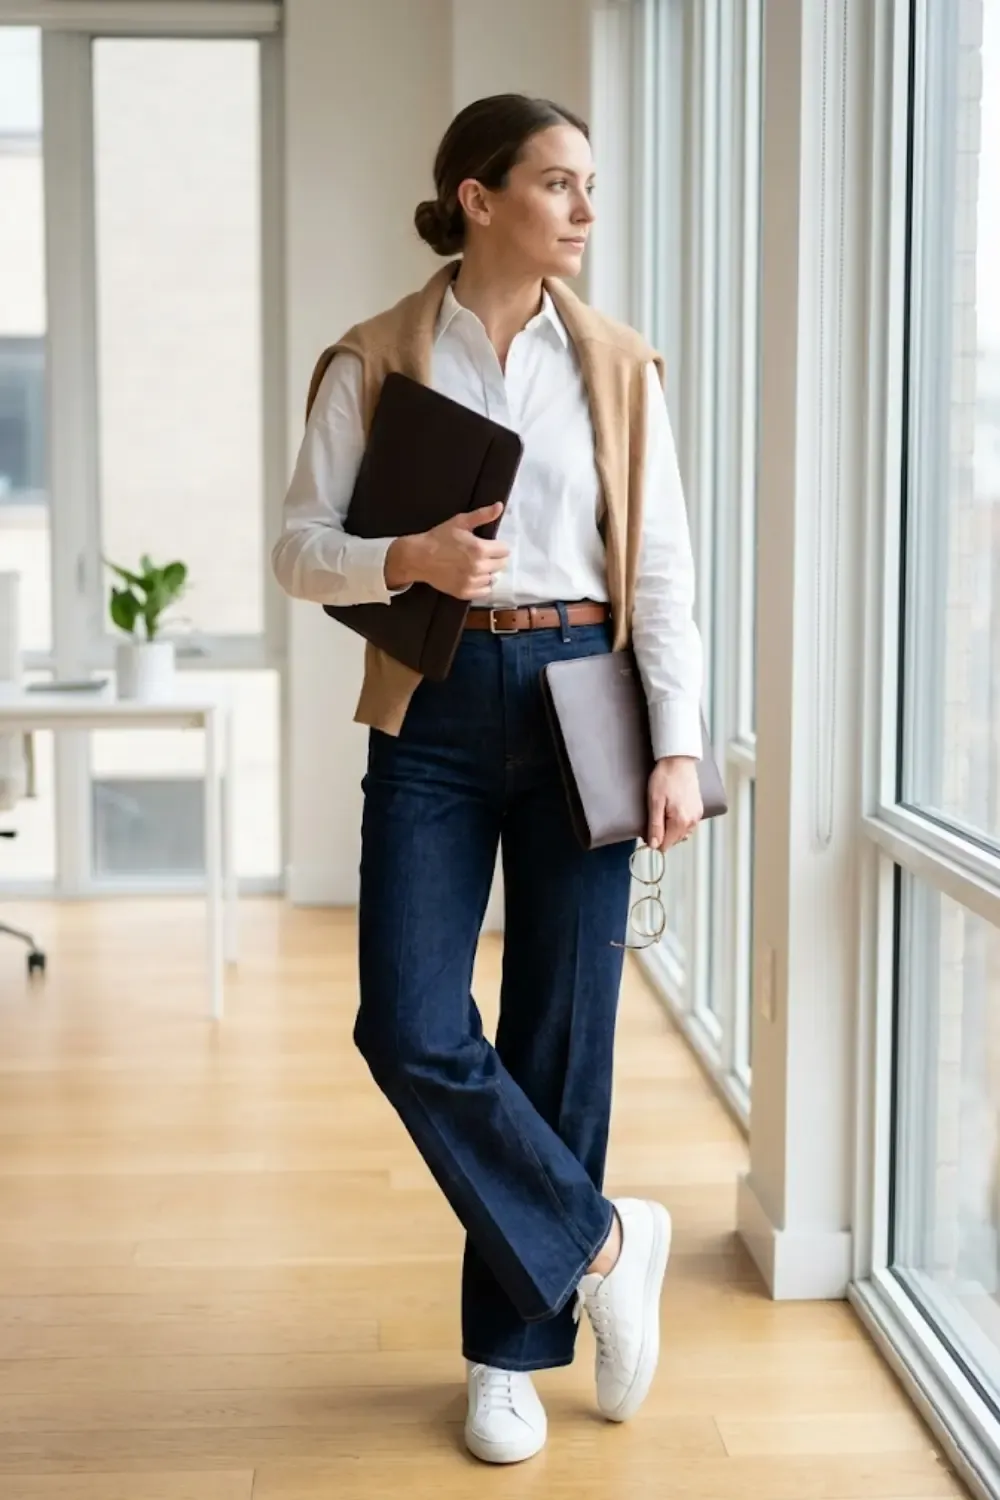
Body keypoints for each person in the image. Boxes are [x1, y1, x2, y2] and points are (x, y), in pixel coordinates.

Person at [272, 93, 704, 1465]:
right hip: (439, 703)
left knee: (559, 1034)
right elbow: (296, 547)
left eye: (589, 187)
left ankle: (506, 1359)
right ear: (477, 196)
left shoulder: (620, 366)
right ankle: (603, 1241)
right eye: (559, 184)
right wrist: (407, 560)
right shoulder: (378, 359)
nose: (584, 210)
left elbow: (665, 572)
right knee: (405, 1020)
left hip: (588, 693)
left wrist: (679, 741)